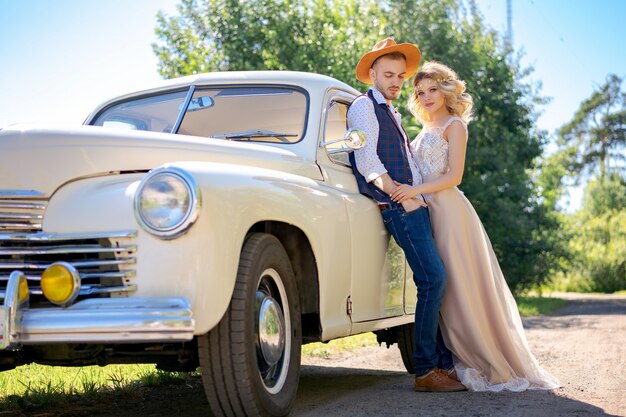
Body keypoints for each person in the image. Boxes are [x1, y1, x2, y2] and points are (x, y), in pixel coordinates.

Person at [390, 61, 560, 392]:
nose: (425, 97)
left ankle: (479, 355)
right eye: (420, 92)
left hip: (450, 211)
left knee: (458, 285)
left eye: (432, 90)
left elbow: (454, 176)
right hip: (427, 210)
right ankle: (444, 359)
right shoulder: (424, 128)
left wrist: (413, 191)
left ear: (445, 89)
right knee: (438, 283)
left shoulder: (455, 126)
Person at [348, 38, 466, 392]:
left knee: (434, 282)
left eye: (401, 75)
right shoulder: (363, 107)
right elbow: (368, 161)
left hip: (416, 204)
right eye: (388, 74)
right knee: (433, 280)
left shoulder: (391, 110)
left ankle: (443, 364)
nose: (396, 82)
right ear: (372, 74)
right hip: (399, 206)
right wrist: (402, 195)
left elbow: (408, 159)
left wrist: (418, 195)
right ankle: (427, 370)